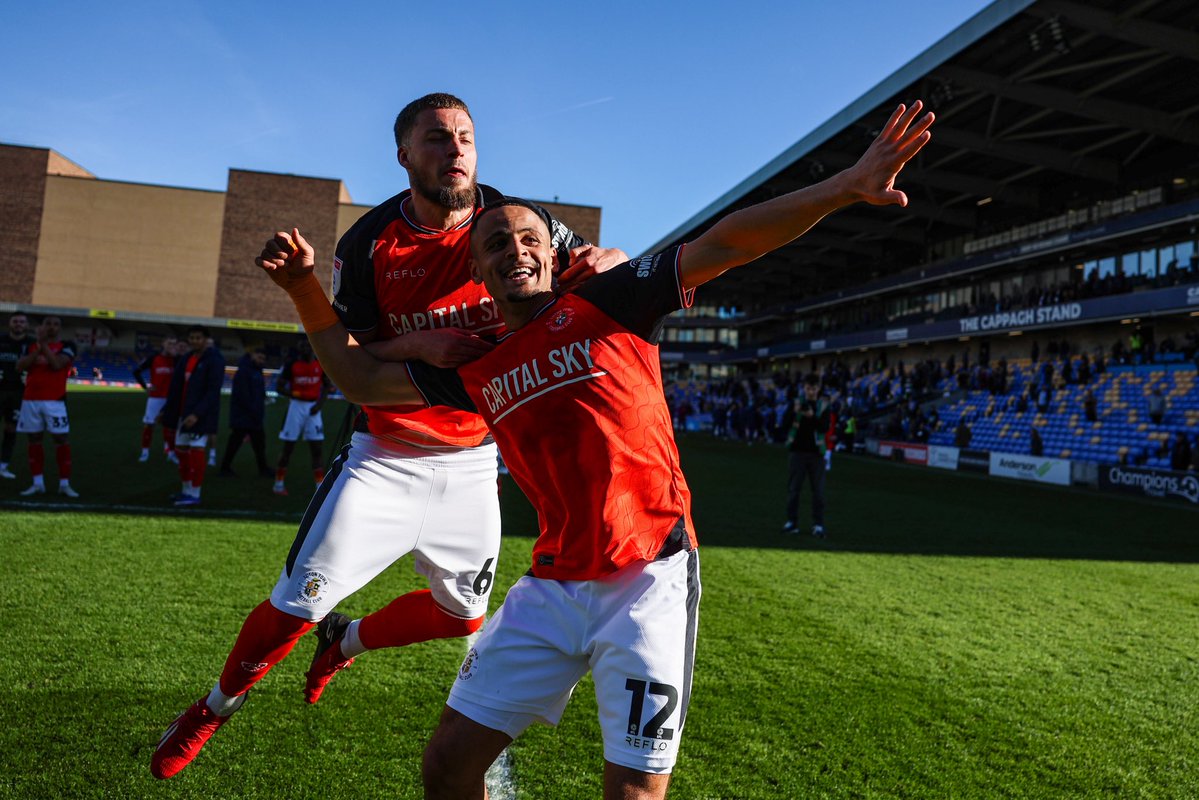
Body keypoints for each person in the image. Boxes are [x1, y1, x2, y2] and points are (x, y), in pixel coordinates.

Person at [256, 99, 932, 798]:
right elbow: (358, 375)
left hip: (649, 581)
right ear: (478, 279)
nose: (513, 250)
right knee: (447, 766)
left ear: (552, 253)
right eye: (493, 246)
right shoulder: (474, 363)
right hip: (549, 586)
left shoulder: (611, 301)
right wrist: (306, 290)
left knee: (633, 792)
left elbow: (728, 243)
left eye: (526, 240)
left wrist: (843, 186)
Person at [149, 92, 625, 780]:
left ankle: (346, 642)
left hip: (473, 460)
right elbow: (356, 362)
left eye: (465, 136)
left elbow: (589, 264)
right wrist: (418, 343)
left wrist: (608, 258)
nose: (455, 149)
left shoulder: (517, 223)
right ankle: (214, 707)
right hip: (386, 457)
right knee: (293, 608)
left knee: (461, 616)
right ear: (404, 155)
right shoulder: (369, 244)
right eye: (436, 138)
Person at [15, 316, 78, 497]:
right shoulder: (28, 346)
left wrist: (42, 345)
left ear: (60, 328)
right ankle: (37, 483)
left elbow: (57, 364)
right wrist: (38, 348)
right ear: (41, 326)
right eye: (48, 324)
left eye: (56, 324)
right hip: (30, 400)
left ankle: (64, 484)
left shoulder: (68, 346)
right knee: (34, 439)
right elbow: (20, 366)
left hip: (55, 401)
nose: (51, 327)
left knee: (61, 439)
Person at [162, 326, 224, 507]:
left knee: (196, 452)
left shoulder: (215, 360)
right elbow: (176, 387)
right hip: (182, 414)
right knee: (181, 452)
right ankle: (186, 490)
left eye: (198, 338)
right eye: (192, 338)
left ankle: (195, 494)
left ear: (206, 339)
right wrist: (166, 409)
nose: (195, 341)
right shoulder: (187, 358)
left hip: (200, 416)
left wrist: (197, 414)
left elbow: (213, 392)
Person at [272, 337, 331, 495]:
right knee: (288, 447)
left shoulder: (321, 363)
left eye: (308, 345)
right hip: (296, 407)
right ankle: (278, 484)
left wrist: (319, 405)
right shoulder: (291, 364)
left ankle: (319, 487)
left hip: (313, 408)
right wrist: (296, 393)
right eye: (302, 346)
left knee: (317, 447)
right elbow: (279, 386)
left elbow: (327, 386)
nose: (305, 348)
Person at [782, 375, 830, 537]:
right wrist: (794, 413)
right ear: (804, 388)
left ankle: (818, 524)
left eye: (814, 388)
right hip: (797, 452)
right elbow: (784, 424)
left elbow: (825, 427)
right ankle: (792, 522)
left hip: (816, 454)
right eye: (808, 388)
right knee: (794, 490)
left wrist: (812, 417)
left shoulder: (823, 405)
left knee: (818, 492)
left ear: (818, 389)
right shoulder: (796, 403)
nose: (811, 391)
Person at [220, 347, 272, 478]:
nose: (261, 361)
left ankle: (263, 468)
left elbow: (257, 391)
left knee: (258, 443)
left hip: (251, 414)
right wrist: (254, 411)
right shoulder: (244, 371)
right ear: (252, 355)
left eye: (263, 359)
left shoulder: (256, 370)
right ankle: (225, 468)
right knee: (237, 442)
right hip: (244, 415)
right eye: (259, 357)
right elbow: (243, 395)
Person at [133, 336, 179, 462]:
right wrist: (145, 387)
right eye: (170, 343)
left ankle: (170, 452)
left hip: (170, 399)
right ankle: (145, 452)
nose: (172, 346)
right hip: (155, 398)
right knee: (149, 425)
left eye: (174, 344)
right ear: (163, 343)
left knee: (169, 427)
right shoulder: (154, 358)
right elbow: (136, 372)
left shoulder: (176, 360)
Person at [0, 312, 31, 479]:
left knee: (11, 428)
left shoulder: (33, 344)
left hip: (19, 394)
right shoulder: (1, 340)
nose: (18, 324)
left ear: (26, 325)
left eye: (22, 322)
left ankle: (3, 466)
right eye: (15, 321)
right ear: (10, 324)